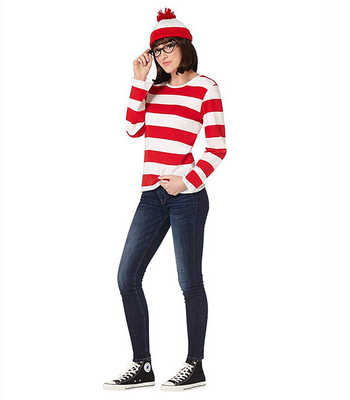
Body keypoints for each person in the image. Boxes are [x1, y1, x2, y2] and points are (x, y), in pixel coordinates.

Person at [103, 8, 226, 391]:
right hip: (150, 197)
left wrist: (186, 181)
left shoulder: (206, 88)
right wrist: (138, 81)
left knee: (189, 281)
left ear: (185, 46)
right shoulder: (153, 89)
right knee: (127, 277)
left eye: (169, 46)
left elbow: (217, 147)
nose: (163, 55)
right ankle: (142, 365)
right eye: (157, 50)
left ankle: (195, 364)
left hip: (188, 198)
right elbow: (132, 128)